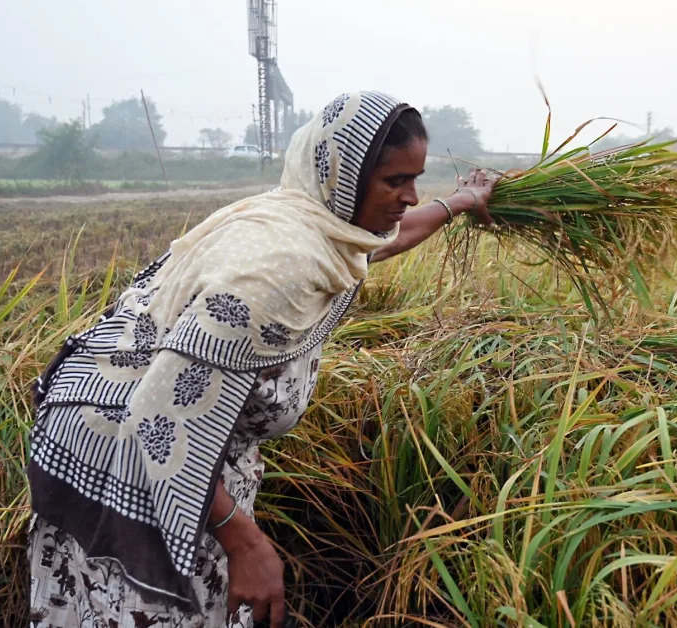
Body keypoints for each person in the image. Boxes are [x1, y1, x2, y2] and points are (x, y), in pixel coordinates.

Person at [26, 91, 496, 627]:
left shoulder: (319, 225)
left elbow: (381, 241)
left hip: (190, 452)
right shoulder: (271, 274)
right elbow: (158, 420)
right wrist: (245, 543)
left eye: (416, 179)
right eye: (396, 181)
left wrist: (461, 201)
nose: (411, 197)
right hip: (131, 452)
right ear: (344, 178)